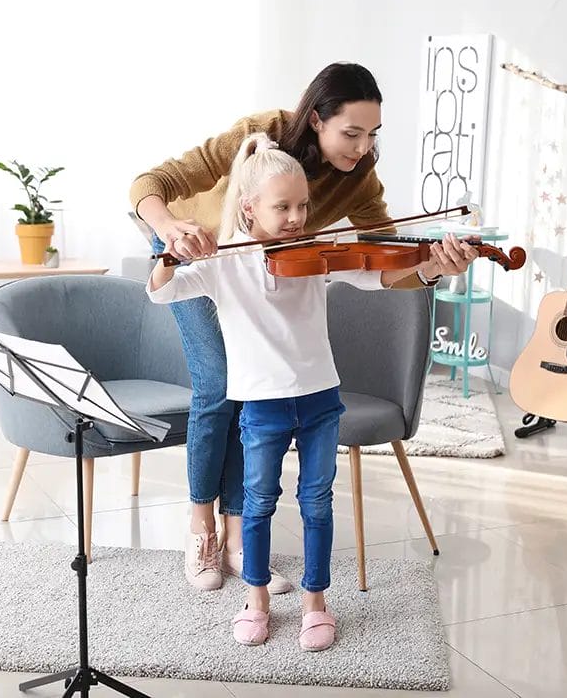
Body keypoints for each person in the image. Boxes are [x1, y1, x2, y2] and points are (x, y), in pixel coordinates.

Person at [129, 62, 477, 593]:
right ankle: (201, 527)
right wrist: (169, 228)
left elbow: (381, 263)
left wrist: (430, 267)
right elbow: (151, 183)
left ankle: (241, 531)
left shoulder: (358, 177)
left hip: (278, 260)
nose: (362, 148)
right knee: (220, 383)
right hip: (195, 251)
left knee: (257, 394)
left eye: (372, 134)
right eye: (351, 133)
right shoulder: (258, 134)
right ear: (316, 120)